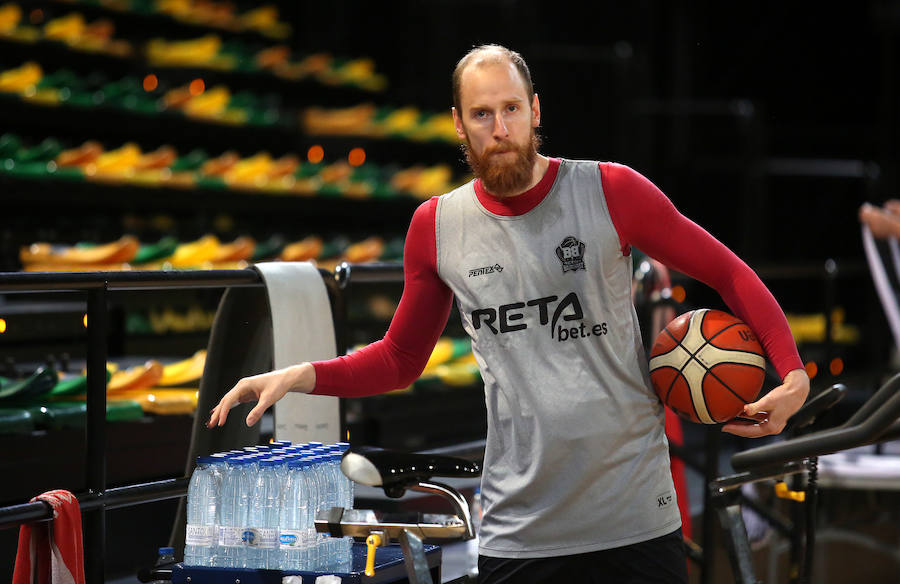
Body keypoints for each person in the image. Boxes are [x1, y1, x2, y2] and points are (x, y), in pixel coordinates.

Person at [208, 44, 810, 583]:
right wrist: (299, 375)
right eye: (482, 114)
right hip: (522, 531)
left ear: (536, 111)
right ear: (458, 125)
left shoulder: (610, 191)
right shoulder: (437, 227)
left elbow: (727, 271)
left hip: (634, 516)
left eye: (512, 109)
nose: (501, 128)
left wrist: (793, 373)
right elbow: (397, 360)